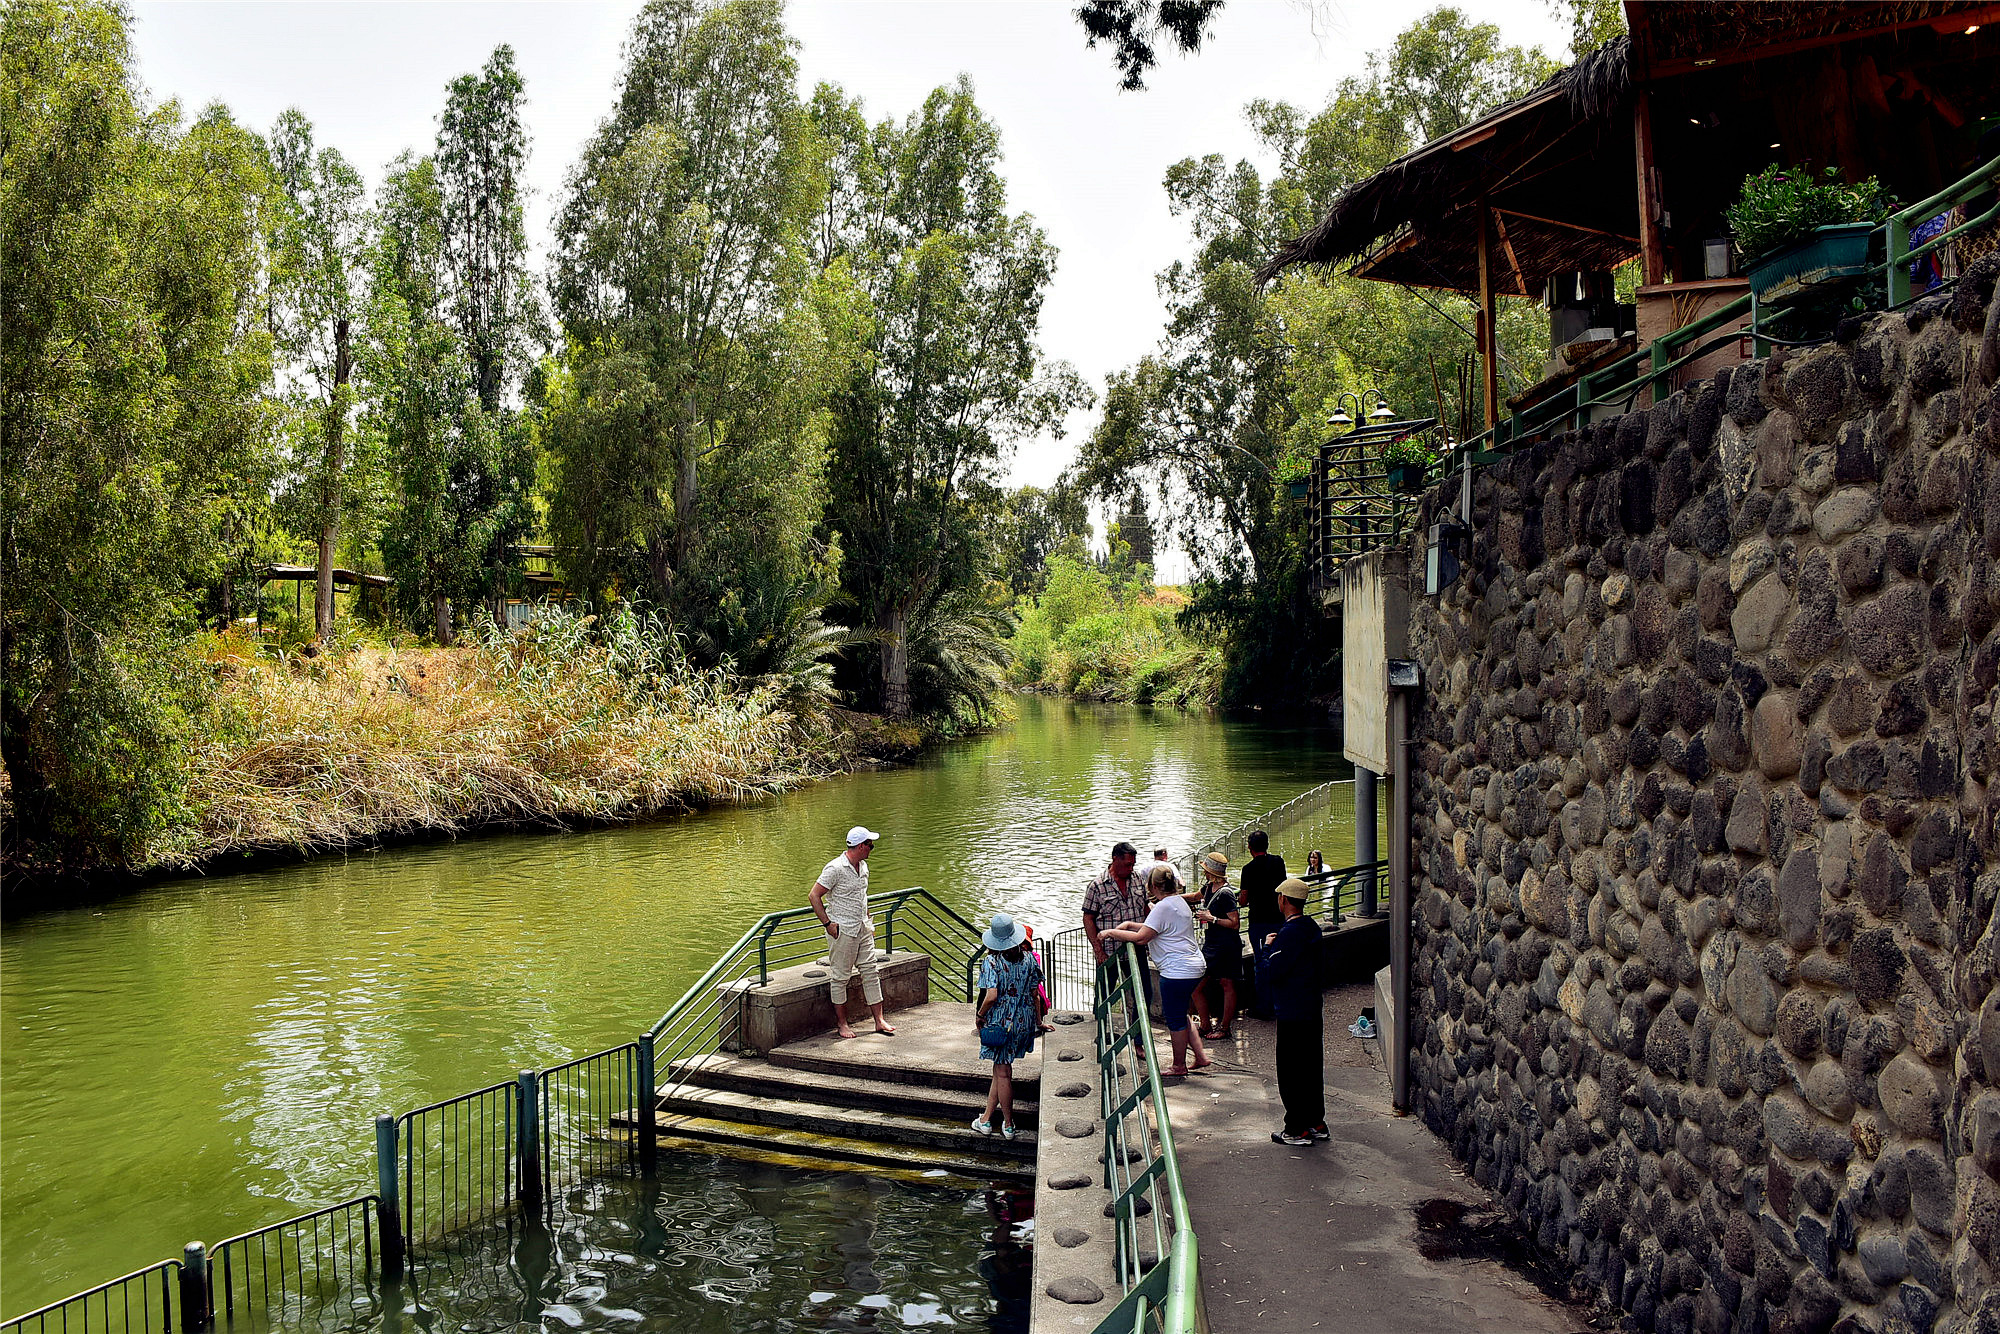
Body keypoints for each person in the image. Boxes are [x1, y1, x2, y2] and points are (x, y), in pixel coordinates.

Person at [1101, 863, 1210, 1075]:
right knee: (1181, 1013)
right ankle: (1201, 1056)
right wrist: (1128, 926)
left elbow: (1142, 938)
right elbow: (1152, 928)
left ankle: (1179, 1065)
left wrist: (1111, 933)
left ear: (1152, 886)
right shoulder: (1179, 902)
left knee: (1175, 1020)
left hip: (1176, 972)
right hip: (1195, 966)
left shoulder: (1162, 907)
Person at [808, 825, 896, 1039]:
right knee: (840, 977)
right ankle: (842, 1024)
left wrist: (868, 920)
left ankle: (879, 1020)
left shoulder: (863, 866)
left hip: (862, 927)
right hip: (842, 930)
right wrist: (828, 924)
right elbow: (814, 895)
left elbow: (862, 896)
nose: (871, 848)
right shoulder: (835, 868)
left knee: (871, 971)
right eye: (869, 844)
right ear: (859, 846)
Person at [1264, 877, 1327, 1146]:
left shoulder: (1288, 935)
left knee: (1290, 1070)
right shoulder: (1312, 928)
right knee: (1311, 1067)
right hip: (1312, 1006)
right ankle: (1316, 1121)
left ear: (1284, 900)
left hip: (1292, 1010)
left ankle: (1296, 1128)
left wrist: (1266, 949)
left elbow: (1273, 972)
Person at [973, 913, 1044, 1138]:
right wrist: (1039, 1021)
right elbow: (1035, 994)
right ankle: (985, 1118)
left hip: (1001, 1023)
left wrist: (980, 1015)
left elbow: (991, 995)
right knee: (1000, 1070)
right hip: (1023, 1022)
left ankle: (1008, 1123)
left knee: (1003, 1073)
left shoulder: (991, 962)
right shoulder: (1030, 959)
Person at [1082, 841, 1151, 1006]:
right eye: (1127, 865)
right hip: (1109, 952)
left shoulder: (1138, 879)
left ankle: (1138, 1031)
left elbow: (1146, 909)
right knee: (1104, 993)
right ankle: (1102, 1027)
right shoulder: (1097, 886)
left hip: (1136, 947)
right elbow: (1088, 918)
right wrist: (1098, 950)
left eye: (1133, 865)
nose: (1130, 869)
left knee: (1144, 992)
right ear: (1115, 859)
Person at [1190, 851, 1240, 1040]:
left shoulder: (1225, 893)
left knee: (1227, 984)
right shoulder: (1209, 886)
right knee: (1197, 986)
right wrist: (1173, 896)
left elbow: (1234, 923)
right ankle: (1206, 1024)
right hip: (1212, 944)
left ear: (1211, 871)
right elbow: (1196, 896)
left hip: (1226, 946)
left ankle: (1224, 1027)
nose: (1203, 872)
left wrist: (1212, 918)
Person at [1238, 830, 1287, 1019]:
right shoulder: (1278, 862)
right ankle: (1279, 1003)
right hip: (1279, 918)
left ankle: (1264, 1008)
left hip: (1259, 921)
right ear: (1267, 845)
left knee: (1261, 962)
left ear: (1250, 848)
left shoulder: (1248, 869)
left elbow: (1243, 899)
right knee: (1279, 959)